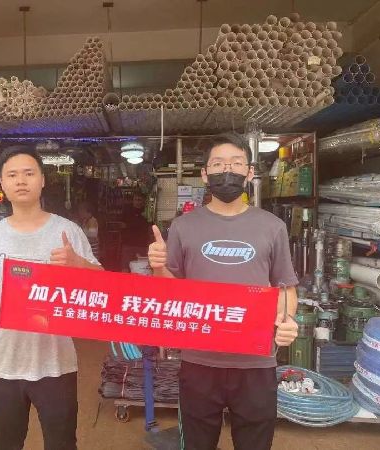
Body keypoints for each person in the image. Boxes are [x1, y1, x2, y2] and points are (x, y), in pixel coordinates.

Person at [148, 132, 299, 450]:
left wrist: (286, 319)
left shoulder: (273, 227)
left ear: (250, 172)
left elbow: (284, 287)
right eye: (218, 164)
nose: (227, 170)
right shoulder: (183, 226)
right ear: (205, 174)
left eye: (236, 163)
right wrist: (159, 267)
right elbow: (169, 293)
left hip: (256, 361)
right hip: (199, 360)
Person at [0, 146, 101, 450]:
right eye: (12, 175)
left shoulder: (68, 231)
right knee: (6, 444)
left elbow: (103, 287)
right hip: (3, 364)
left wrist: (80, 265)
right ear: (2, 184)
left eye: (29, 173)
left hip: (56, 364)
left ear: (42, 180)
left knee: (62, 444)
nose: (21, 181)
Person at [120, 192, 151, 271]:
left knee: (141, 269)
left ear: (143, 201)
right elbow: (121, 225)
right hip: (128, 244)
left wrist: (129, 225)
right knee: (125, 268)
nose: (137, 202)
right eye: (136, 200)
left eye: (139, 200)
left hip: (142, 245)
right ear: (133, 201)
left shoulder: (147, 212)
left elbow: (147, 226)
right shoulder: (127, 211)